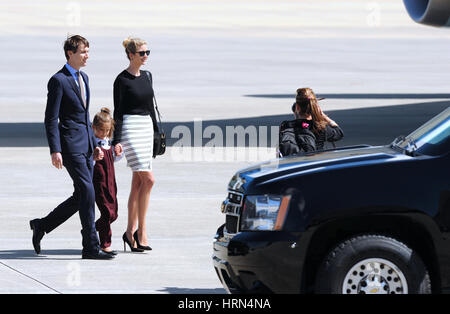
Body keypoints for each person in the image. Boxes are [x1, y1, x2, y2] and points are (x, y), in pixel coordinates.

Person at [29, 35, 114, 259]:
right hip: (69, 146)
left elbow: (84, 116)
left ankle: (42, 225)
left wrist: (94, 143)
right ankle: (91, 247)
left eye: (88, 51)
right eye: (83, 52)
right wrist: (55, 149)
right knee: (88, 191)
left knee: (82, 196)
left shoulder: (84, 77)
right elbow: (51, 118)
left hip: (86, 146)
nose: (87, 56)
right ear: (70, 54)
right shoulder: (58, 80)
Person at [113, 37, 158, 252]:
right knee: (148, 180)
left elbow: (151, 107)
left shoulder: (147, 76)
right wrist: (116, 140)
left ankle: (129, 232)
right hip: (130, 128)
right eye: (142, 53)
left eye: (148, 52)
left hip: (146, 128)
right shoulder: (121, 80)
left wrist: (157, 133)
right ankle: (142, 231)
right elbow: (118, 113)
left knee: (138, 184)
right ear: (131, 55)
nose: (146, 56)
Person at [92, 107, 123, 256]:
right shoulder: (94, 145)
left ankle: (91, 229)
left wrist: (118, 152)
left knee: (114, 214)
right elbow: (88, 162)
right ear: (94, 128)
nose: (104, 134)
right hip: (99, 183)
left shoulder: (108, 144)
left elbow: (114, 160)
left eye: (107, 131)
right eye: (101, 130)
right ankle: (105, 245)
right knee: (106, 213)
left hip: (111, 183)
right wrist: (94, 157)